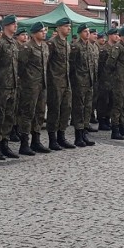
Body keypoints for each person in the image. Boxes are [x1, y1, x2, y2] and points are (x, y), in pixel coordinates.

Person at [0, 15, 20, 160]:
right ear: (6, 26)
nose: (16, 26)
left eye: (16, 24)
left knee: (9, 116)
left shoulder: (13, 43)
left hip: (12, 85)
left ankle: (5, 144)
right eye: (13, 24)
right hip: (0, 86)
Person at [16, 22, 51, 154]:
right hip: (29, 85)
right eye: (42, 31)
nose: (44, 33)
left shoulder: (45, 47)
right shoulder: (27, 47)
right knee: (27, 113)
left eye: (45, 30)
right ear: (34, 33)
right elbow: (20, 66)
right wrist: (26, 80)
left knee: (40, 113)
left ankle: (36, 141)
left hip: (42, 85)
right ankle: (24, 143)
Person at [46, 17, 75, 150]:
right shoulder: (52, 43)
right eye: (65, 26)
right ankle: (52, 139)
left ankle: (61, 136)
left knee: (66, 109)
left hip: (66, 81)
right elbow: (46, 63)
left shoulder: (67, 44)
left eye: (69, 26)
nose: (68, 28)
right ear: (58, 28)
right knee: (54, 110)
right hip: (55, 82)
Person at [69, 23, 97, 147]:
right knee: (79, 109)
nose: (87, 33)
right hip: (79, 82)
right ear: (80, 33)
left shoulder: (90, 47)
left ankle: (84, 133)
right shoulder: (76, 47)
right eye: (85, 31)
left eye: (88, 31)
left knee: (87, 108)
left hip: (89, 82)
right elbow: (71, 66)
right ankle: (78, 136)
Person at [106, 26, 124, 139]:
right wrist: (116, 76)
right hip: (119, 81)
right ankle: (115, 129)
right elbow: (110, 64)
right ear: (122, 35)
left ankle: (122, 127)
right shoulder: (118, 47)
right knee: (117, 106)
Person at [96, 28, 119, 131]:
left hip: (114, 79)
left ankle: (107, 119)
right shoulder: (104, 49)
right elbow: (100, 66)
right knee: (103, 101)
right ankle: (102, 121)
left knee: (111, 101)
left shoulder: (116, 48)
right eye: (115, 35)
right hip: (104, 79)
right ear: (110, 36)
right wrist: (101, 79)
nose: (117, 36)